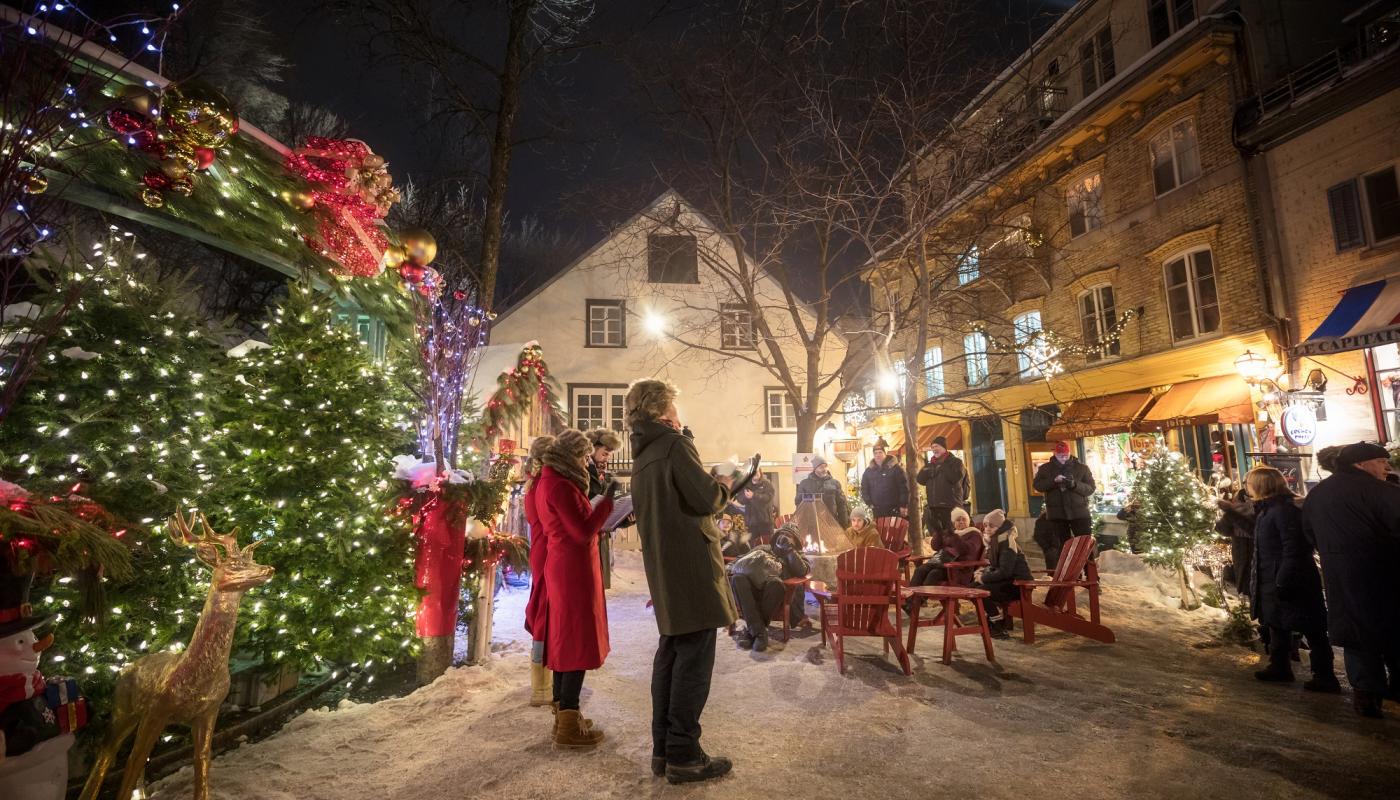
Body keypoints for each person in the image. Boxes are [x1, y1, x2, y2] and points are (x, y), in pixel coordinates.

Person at [627, 379, 736, 784]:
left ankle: (665, 750)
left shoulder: (643, 453)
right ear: (663, 412)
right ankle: (685, 754)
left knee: (672, 656)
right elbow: (705, 498)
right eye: (674, 407)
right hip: (691, 565)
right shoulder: (673, 444)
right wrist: (723, 484)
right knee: (693, 663)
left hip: (666, 568)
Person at [1301, 441, 1400, 719]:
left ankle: (1366, 695)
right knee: (1392, 630)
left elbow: (1308, 533)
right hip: (1385, 573)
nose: (1386, 467)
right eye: (1381, 462)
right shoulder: (1382, 492)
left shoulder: (1318, 494)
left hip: (1340, 576)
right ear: (1361, 464)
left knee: (1356, 636)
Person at [537, 429, 616, 748]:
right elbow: (583, 530)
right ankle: (568, 721)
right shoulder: (562, 485)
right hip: (573, 570)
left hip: (568, 566)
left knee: (565, 639)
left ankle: (564, 715)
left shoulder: (551, 480)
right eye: (584, 457)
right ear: (571, 457)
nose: (587, 463)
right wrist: (608, 504)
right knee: (576, 641)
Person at [1246, 465, 1339, 692]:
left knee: (1311, 627)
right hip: (1273, 576)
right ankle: (1280, 666)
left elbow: (1294, 547)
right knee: (1277, 623)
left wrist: (1283, 579)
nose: (1246, 487)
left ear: (1261, 485)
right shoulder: (1267, 510)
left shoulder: (1284, 511)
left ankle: (1324, 676)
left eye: (1249, 483)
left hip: (1292, 578)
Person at [727, 525, 810, 652]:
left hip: (774, 593)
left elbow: (802, 570)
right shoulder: (763, 548)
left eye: (789, 536)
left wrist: (789, 550)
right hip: (751, 590)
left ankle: (752, 631)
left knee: (776, 583)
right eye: (782, 534)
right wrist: (729, 567)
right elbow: (742, 559)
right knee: (738, 578)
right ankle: (759, 633)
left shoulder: (797, 554)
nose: (784, 537)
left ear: (795, 541)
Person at [523, 435, 556, 708]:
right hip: (547, 552)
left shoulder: (535, 483)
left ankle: (544, 683)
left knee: (545, 613)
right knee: (545, 617)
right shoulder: (543, 485)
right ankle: (542, 687)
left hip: (541, 550)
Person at [973, 509, 1032, 638]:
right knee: (972, 587)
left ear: (1000, 527)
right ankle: (995, 619)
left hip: (1018, 585)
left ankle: (998, 624)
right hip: (1007, 581)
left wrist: (984, 578)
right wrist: (983, 572)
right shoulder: (996, 541)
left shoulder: (1007, 544)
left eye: (991, 525)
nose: (987, 528)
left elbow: (1005, 571)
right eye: (986, 525)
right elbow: (994, 566)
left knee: (980, 591)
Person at [907, 507, 985, 600]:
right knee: (920, 570)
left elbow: (965, 550)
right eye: (958, 520)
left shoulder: (974, 534)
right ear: (953, 523)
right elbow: (935, 546)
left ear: (968, 521)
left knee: (933, 574)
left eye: (963, 519)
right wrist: (939, 531)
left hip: (959, 570)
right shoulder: (952, 533)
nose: (961, 522)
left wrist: (953, 536)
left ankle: (916, 603)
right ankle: (909, 600)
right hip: (942, 564)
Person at [1032, 441, 1096, 551]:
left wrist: (1075, 485)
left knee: (1084, 546)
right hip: (1057, 515)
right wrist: (1053, 481)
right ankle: (1067, 568)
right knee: (1063, 547)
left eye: (1065, 455)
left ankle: (1088, 567)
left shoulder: (1082, 468)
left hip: (1079, 514)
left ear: (1069, 453)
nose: (1063, 458)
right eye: (1060, 455)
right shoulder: (1045, 469)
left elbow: (1090, 488)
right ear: (1055, 454)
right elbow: (1037, 485)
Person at [585, 428, 627, 590]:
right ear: (593, 447)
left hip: (600, 531)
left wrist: (622, 519)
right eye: (605, 451)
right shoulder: (584, 471)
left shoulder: (602, 472)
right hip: (588, 531)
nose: (608, 456)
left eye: (610, 453)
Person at [917, 436, 966, 540]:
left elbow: (954, 477)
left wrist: (942, 465)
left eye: (937, 446)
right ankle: (941, 554)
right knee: (938, 538)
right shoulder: (931, 464)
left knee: (953, 536)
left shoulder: (955, 462)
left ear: (944, 447)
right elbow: (920, 479)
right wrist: (928, 468)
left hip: (950, 506)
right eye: (932, 447)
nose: (934, 449)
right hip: (934, 507)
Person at [1216, 492, 1256, 593]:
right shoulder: (1238, 500)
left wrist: (1232, 512)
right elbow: (1223, 530)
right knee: (1247, 585)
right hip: (1240, 548)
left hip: (1255, 549)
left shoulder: (1260, 507)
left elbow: (1252, 529)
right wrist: (1229, 515)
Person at [860, 440, 908, 520]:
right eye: (875, 453)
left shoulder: (895, 469)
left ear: (885, 454)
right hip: (877, 509)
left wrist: (903, 505)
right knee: (880, 531)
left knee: (893, 531)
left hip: (894, 509)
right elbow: (864, 488)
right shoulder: (868, 471)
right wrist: (869, 502)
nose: (878, 455)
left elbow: (904, 487)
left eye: (880, 452)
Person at [797, 456, 849, 528]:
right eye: (821, 467)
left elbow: (842, 505)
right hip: (812, 524)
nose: (824, 469)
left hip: (831, 524)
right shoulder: (805, 484)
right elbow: (800, 504)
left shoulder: (835, 483)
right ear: (815, 469)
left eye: (825, 466)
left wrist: (844, 524)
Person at [736, 474, 777, 545]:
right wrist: (746, 497)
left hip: (765, 522)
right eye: (754, 472)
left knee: (768, 545)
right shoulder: (745, 485)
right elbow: (740, 499)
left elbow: (768, 498)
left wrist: (754, 495)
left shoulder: (766, 484)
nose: (755, 473)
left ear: (760, 472)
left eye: (757, 471)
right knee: (753, 546)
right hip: (751, 523)